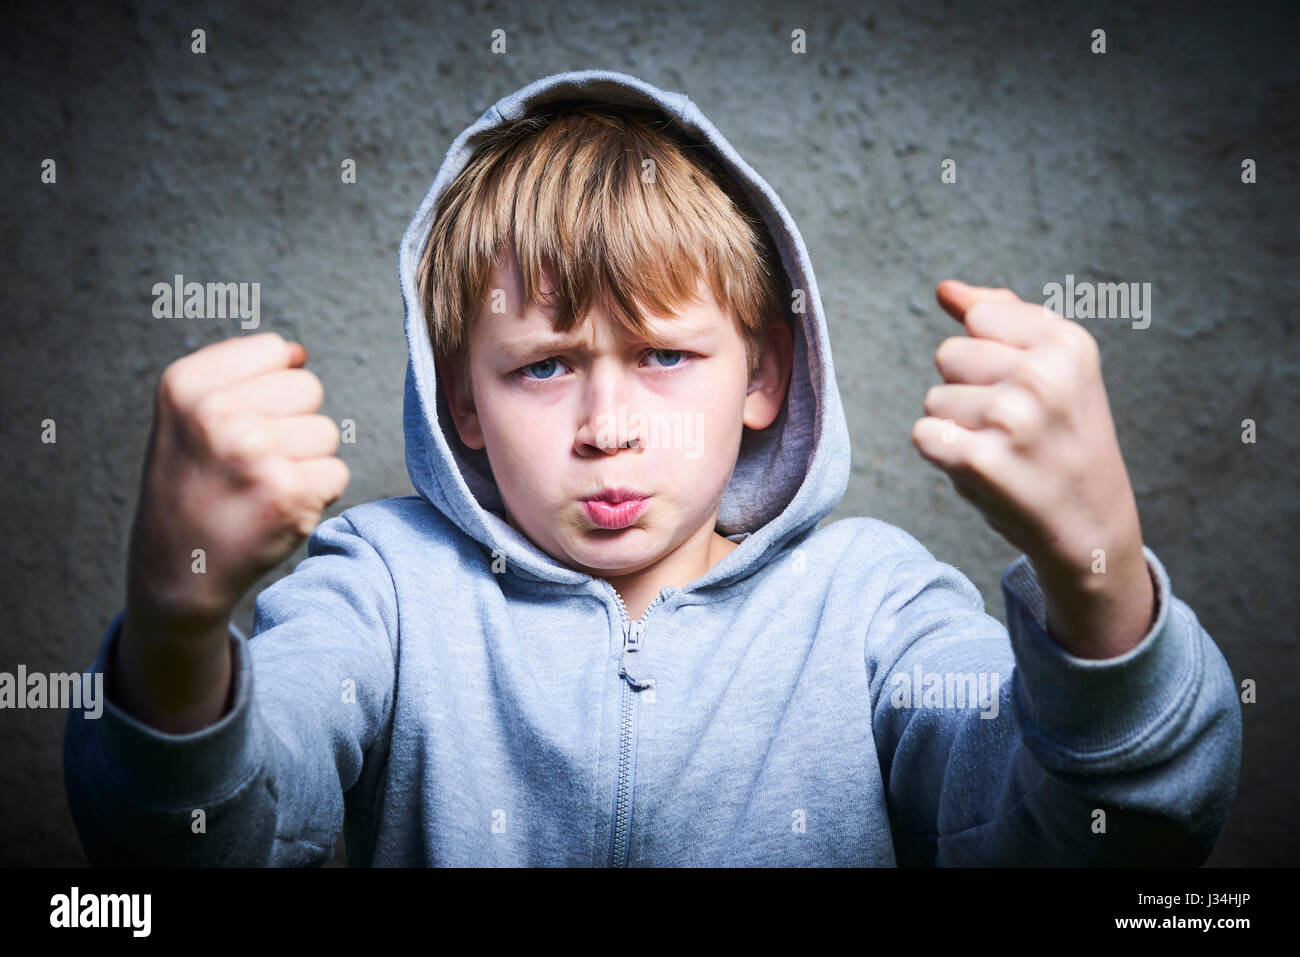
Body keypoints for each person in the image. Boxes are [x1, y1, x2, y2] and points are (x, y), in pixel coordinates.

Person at [64, 69, 1241, 866]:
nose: (606, 426)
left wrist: (1097, 588)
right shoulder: (375, 587)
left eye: (668, 354)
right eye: (541, 368)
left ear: (764, 376)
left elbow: (1100, 839)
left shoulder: (876, 605)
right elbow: (191, 848)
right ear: (460, 399)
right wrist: (177, 631)